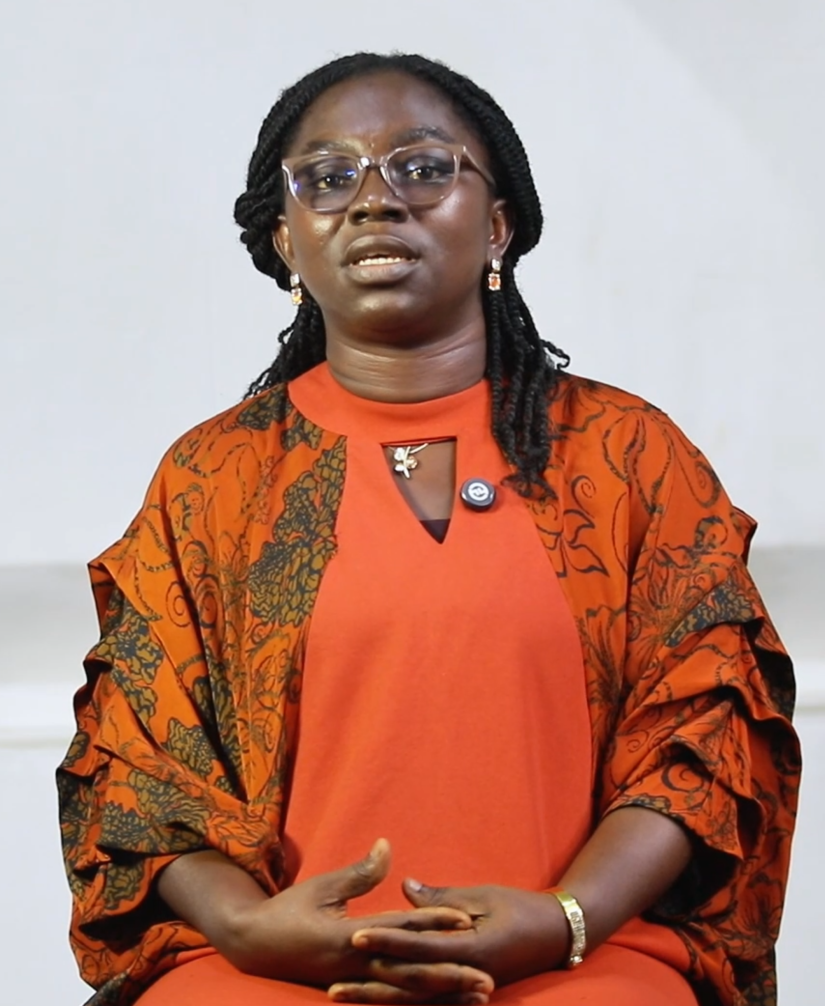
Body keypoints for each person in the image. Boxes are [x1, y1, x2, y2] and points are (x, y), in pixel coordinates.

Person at [57, 52, 800, 1006]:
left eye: (421, 167)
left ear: (497, 226)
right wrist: (246, 928)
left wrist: (567, 918)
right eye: (328, 177)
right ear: (286, 239)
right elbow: (137, 759)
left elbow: (707, 729)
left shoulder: (628, 456)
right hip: (275, 969)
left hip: (574, 959)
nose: (374, 200)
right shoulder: (214, 478)